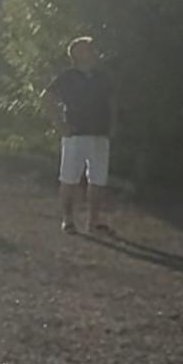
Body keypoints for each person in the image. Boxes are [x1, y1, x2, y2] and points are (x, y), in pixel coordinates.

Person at [43, 36, 116, 237]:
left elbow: (110, 101)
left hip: (100, 132)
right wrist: (60, 125)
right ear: (77, 53)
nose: (92, 51)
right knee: (69, 178)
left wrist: (112, 125)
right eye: (87, 48)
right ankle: (68, 219)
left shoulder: (102, 76)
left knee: (98, 179)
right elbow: (47, 97)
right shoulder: (67, 77)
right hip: (76, 133)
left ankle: (93, 221)